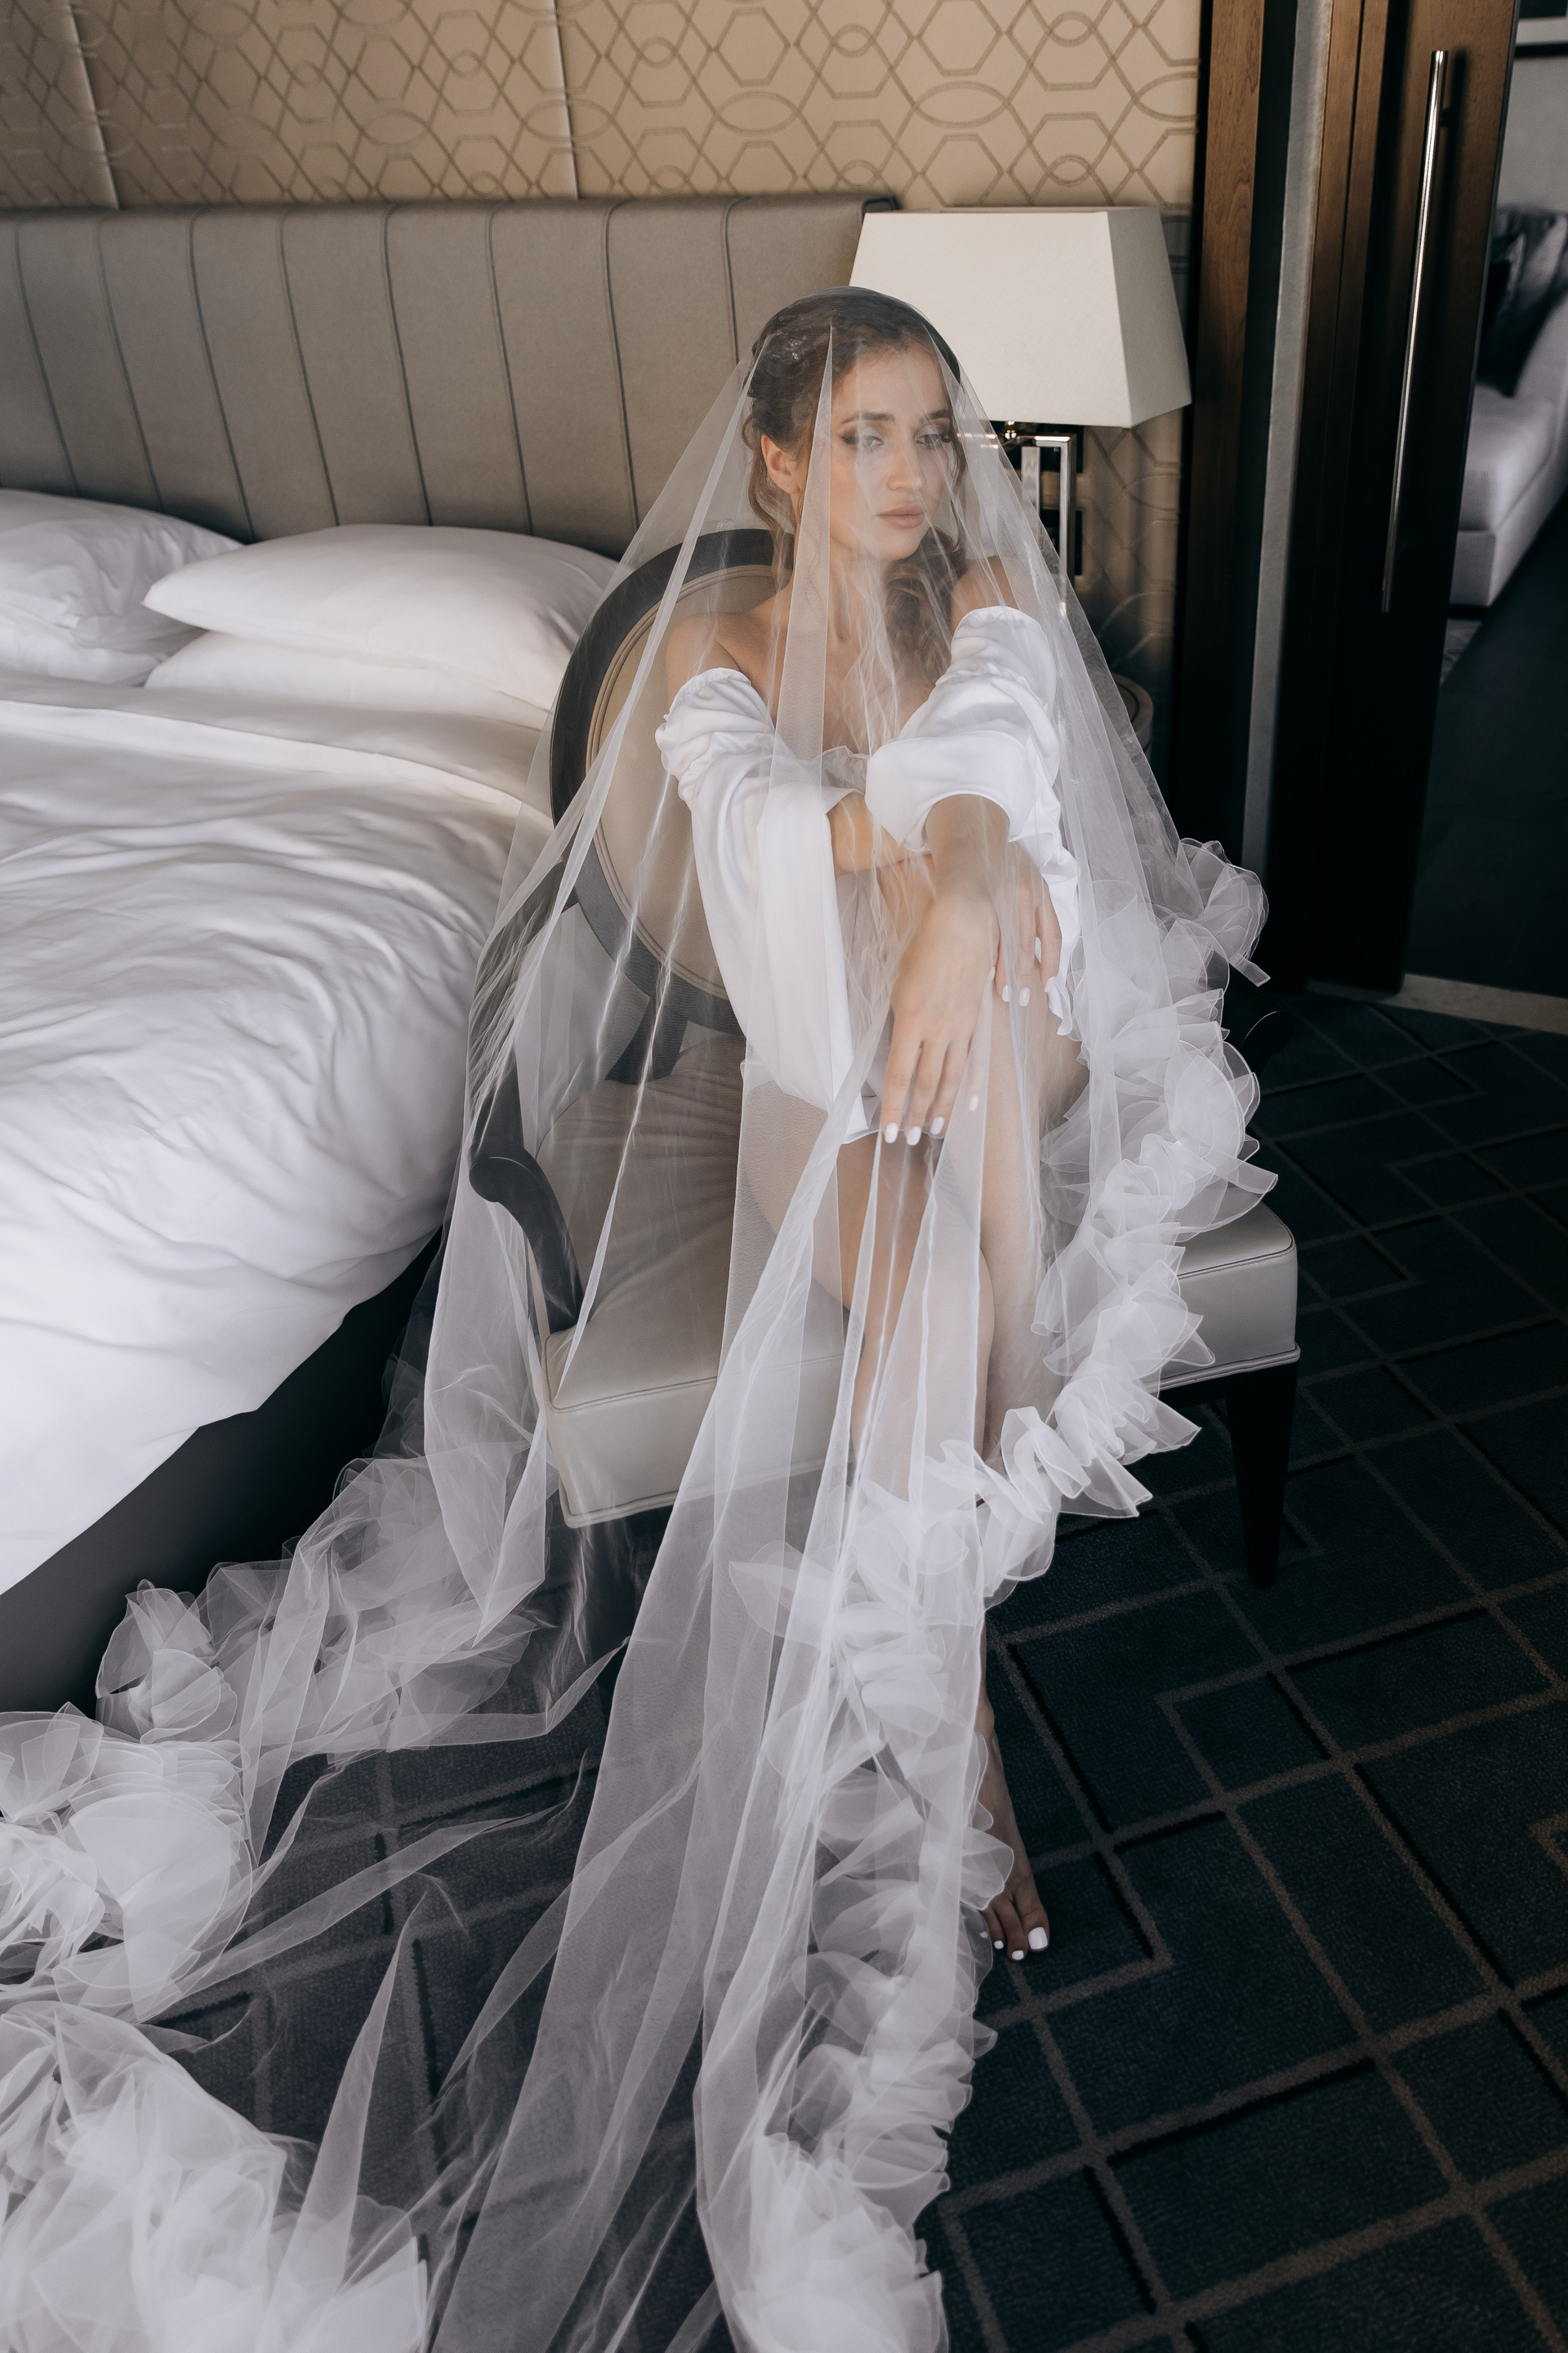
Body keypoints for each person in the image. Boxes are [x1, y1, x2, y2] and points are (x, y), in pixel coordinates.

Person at [0, 289, 1270, 2353]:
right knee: (924, 1217)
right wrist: (905, 860)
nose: (910, 475)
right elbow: (750, 816)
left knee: (960, 1145)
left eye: (931, 432)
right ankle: (960, 1707)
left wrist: (961, 877)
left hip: (1000, 1082)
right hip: (816, 1091)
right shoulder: (701, 651)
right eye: (861, 437)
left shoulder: (990, 615)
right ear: (773, 462)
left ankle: (948, 1715)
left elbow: (988, 749)